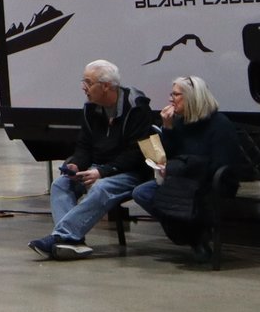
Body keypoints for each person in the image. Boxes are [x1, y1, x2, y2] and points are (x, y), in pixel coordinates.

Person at [32, 58, 163, 259]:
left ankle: (64, 237)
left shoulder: (136, 108)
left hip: (132, 171)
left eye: (88, 82)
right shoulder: (91, 108)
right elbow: (84, 146)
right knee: (61, 184)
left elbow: (136, 153)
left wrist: (102, 172)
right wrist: (75, 164)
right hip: (99, 166)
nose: (83, 87)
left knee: (102, 187)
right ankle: (71, 241)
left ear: (106, 86)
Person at [133, 75, 240, 257]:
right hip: (182, 180)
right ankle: (192, 237)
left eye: (175, 95)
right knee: (142, 192)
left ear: (192, 97)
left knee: (180, 198)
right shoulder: (181, 122)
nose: (170, 99)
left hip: (209, 182)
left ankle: (193, 236)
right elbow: (168, 155)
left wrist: (180, 169)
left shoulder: (220, 125)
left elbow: (220, 164)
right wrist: (167, 127)